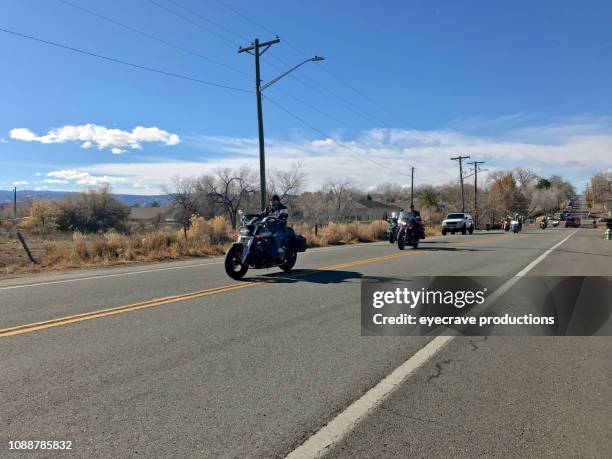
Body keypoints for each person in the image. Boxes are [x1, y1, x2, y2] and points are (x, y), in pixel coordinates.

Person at [261, 195, 289, 260]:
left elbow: (284, 216)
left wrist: (281, 217)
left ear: (277, 201)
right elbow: (261, 215)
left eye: (273, 200)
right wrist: (251, 216)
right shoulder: (268, 209)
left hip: (280, 230)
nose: (271, 202)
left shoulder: (283, 208)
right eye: (271, 201)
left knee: (275, 238)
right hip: (269, 230)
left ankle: (274, 257)